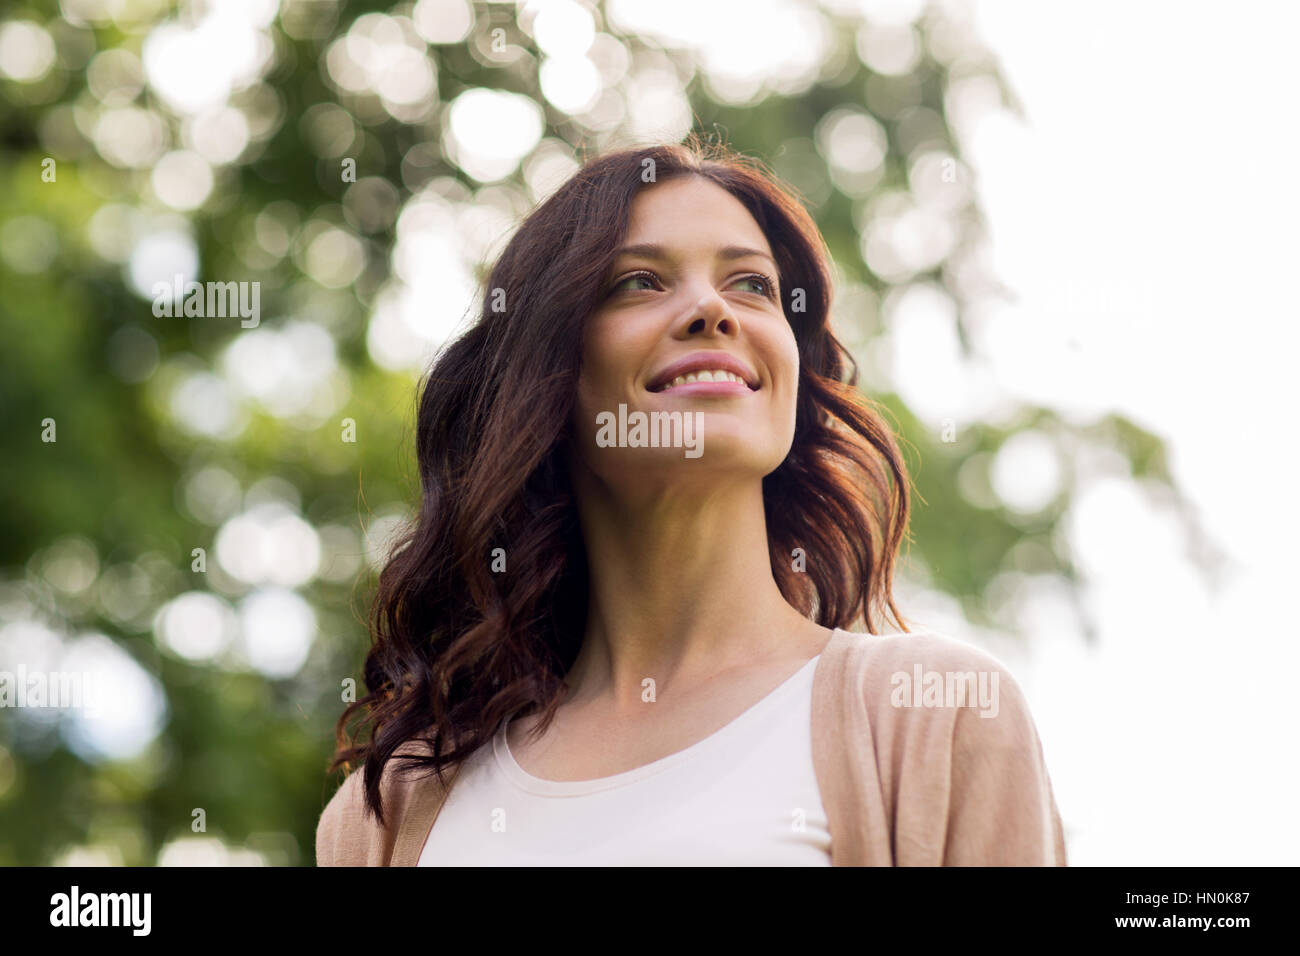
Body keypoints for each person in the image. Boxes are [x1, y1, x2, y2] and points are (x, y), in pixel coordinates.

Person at [315, 137, 1067, 866]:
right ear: (548, 375)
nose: (714, 309)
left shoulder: (932, 714)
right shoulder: (394, 811)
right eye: (639, 281)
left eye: (752, 285)